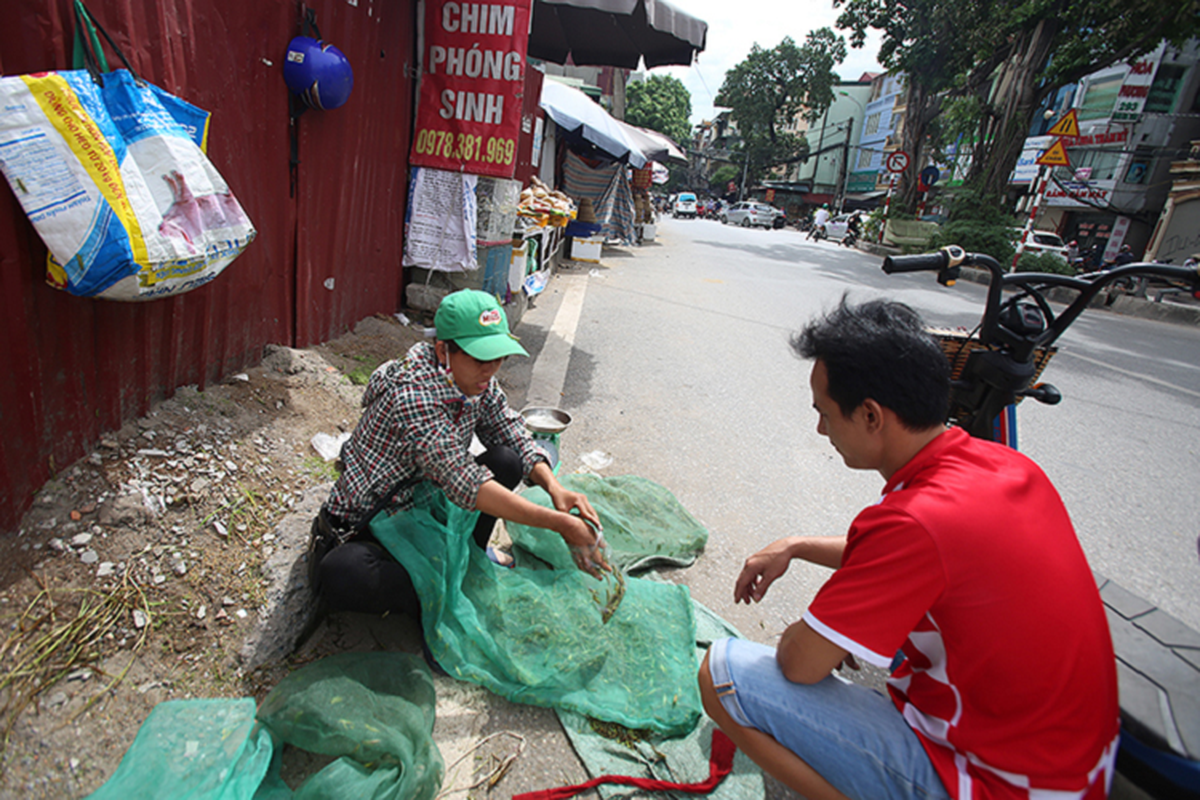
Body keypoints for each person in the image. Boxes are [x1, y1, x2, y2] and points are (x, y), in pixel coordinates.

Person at [698, 298, 1118, 800]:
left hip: (997, 783)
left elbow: (800, 664)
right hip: (1074, 769)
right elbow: (910, 557)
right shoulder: (1000, 466)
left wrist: (811, 636)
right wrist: (798, 545)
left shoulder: (915, 520)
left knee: (721, 673)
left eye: (825, 413)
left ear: (872, 415)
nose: (820, 430)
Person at [309, 289, 608, 624]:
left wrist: (554, 487)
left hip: (425, 503)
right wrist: (561, 523)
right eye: (481, 360)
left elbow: (511, 431)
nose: (491, 370)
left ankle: (469, 560)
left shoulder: (477, 383)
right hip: (377, 521)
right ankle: (444, 590)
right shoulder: (413, 395)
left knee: (507, 460)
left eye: (499, 359)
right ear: (443, 351)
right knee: (343, 573)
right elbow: (466, 482)